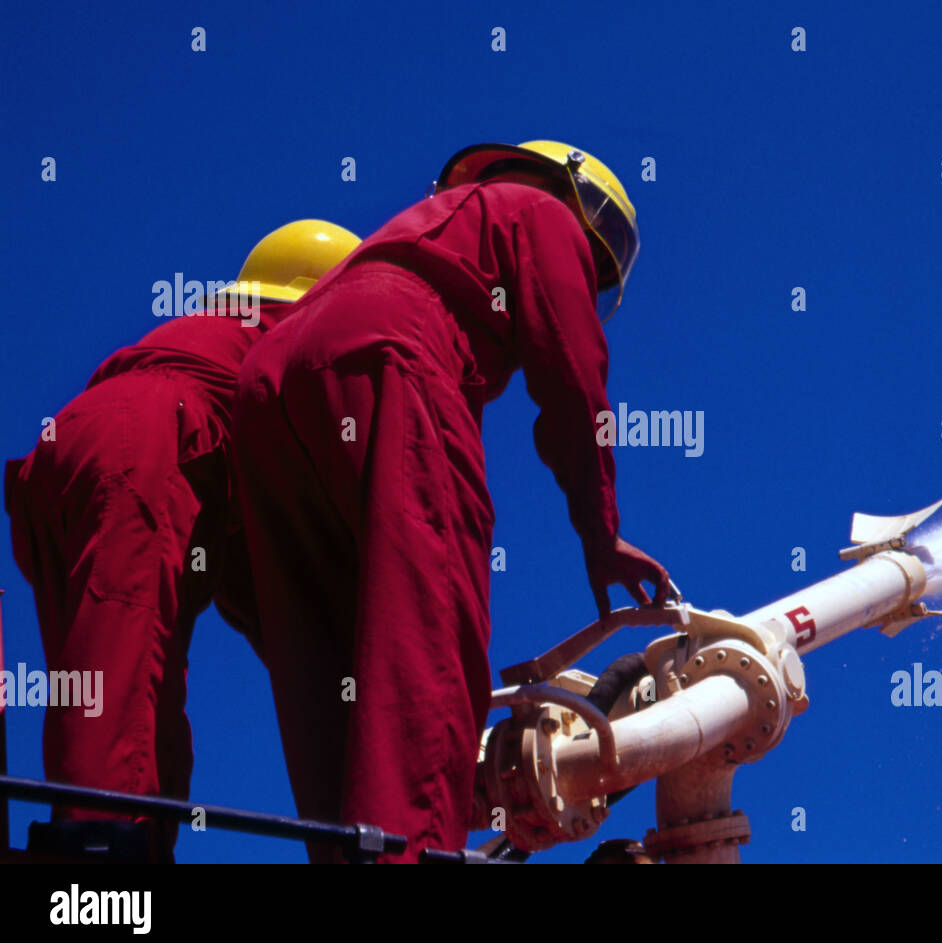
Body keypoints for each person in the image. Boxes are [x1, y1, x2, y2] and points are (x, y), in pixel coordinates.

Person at [233, 140, 671, 862]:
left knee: (329, 661)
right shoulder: (541, 212)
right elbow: (573, 373)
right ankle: (408, 851)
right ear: (579, 201)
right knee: (422, 640)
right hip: (395, 354)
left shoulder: (409, 232)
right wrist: (601, 531)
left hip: (270, 382)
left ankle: (352, 850)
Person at [5, 220, 360, 861]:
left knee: (112, 682)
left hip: (66, 455)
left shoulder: (214, 336)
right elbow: (295, 597)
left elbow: (262, 594)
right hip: (147, 442)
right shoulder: (305, 337)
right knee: (129, 679)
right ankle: (100, 867)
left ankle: (116, 852)